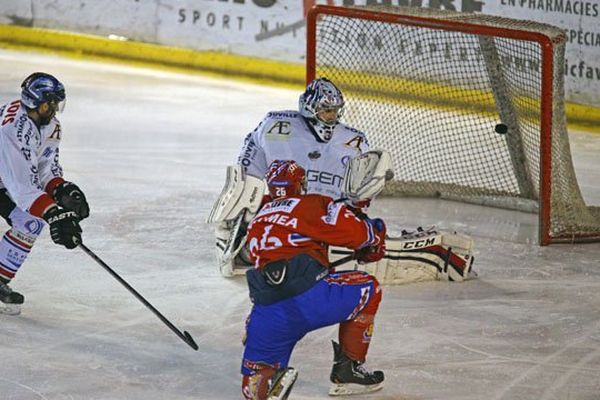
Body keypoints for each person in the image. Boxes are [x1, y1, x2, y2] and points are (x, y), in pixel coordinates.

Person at [241, 160, 386, 399]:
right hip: (313, 298)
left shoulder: (258, 219)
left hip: (266, 311)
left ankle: (265, 382)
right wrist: (375, 233)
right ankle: (348, 372)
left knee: (254, 387)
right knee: (370, 288)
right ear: (300, 184)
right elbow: (359, 236)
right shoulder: (311, 203)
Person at [215, 77, 371, 277]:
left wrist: (355, 214)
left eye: (335, 110)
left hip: (321, 214)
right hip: (291, 211)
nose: (331, 116)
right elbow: (246, 175)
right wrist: (237, 219)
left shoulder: (354, 140)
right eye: (326, 110)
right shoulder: (274, 125)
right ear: (309, 107)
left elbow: (360, 192)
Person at [0, 72, 89, 315]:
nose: (56, 110)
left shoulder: (50, 125)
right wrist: (54, 214)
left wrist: (61, 189)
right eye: (51, 104)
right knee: (34, 213)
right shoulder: (12, 129)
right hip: (6, 180)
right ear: (38, 102)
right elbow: (23, 190)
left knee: (30, 222)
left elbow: (44, 171)